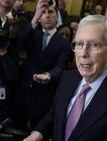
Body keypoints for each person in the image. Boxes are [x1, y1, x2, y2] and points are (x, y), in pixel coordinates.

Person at [14, 0, 73, 130]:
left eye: (50, 12)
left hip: (44, 94)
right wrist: (34, 19)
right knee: (16, 129)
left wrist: (48, 75)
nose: (47, 15)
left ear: (57, 17)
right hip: (23, 90)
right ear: (39, 17)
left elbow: (60, 67)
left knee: (37, 130)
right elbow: (20, 43)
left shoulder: (64, 43)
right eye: (43, 13)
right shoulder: (32, 33)